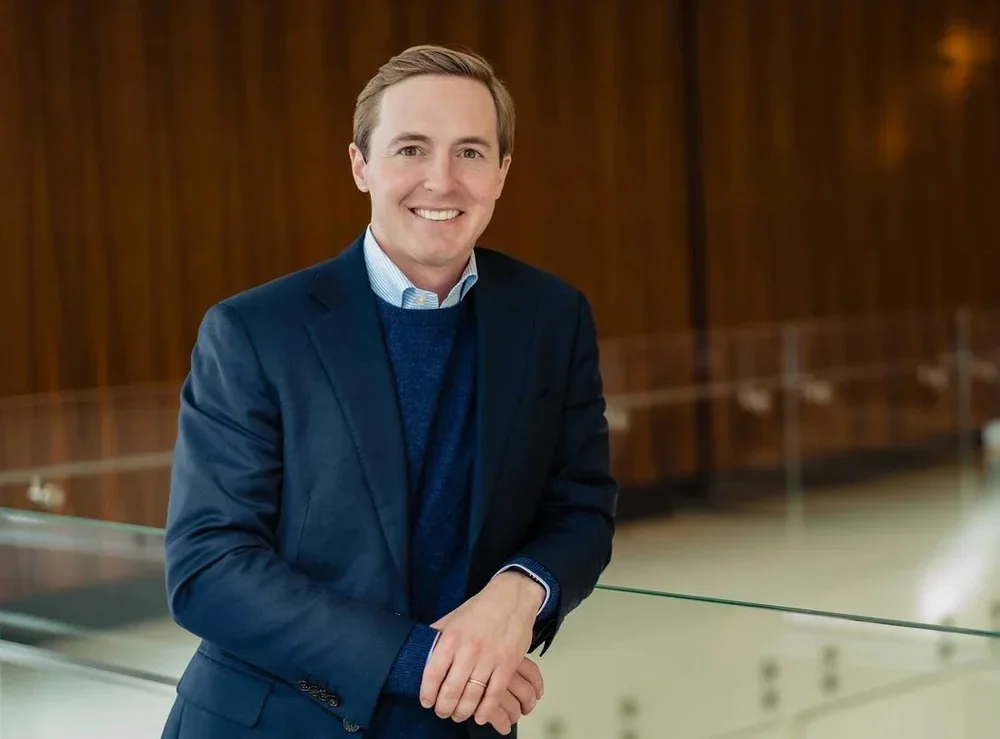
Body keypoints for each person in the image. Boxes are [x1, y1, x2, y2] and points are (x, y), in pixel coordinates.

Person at [161, 44, 617, 739]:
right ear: (360, 165)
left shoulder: (551, 318)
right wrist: (423, 660)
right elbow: (208, 568)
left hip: (463, 723)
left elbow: (581, 506)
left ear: (502, 173)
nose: (441, 179)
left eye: (470, 152)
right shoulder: (255, 331)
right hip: (274, 723)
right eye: (411, 148)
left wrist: (519, 592)